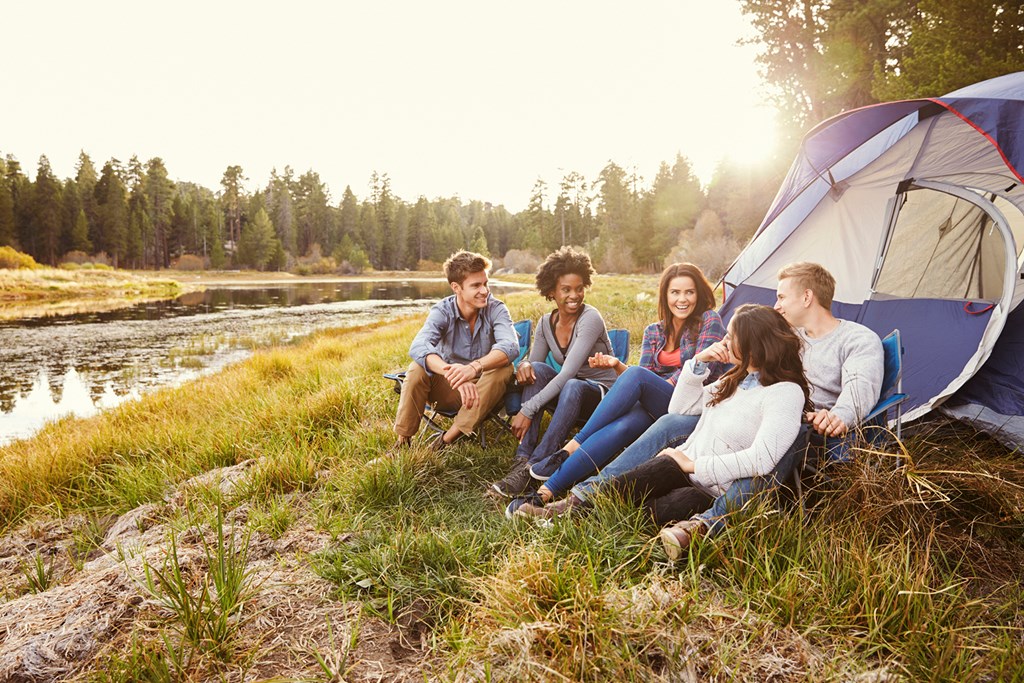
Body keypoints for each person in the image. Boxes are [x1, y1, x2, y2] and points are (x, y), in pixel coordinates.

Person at [517, 262, 884, 558]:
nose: (777, 305)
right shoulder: (781, 341)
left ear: (807, 296)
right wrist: (699, 365)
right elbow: (732, 384)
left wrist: (838, 415)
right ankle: (576, 498)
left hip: (811, 427)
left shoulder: (854, 339)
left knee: (749, 451)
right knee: (670, 422)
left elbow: (858, 387)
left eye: (782, 297)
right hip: (739, 420)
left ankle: (701, 522)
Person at [593, 304, 812, 561]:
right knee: (617, 493)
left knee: (649, 513)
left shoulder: (785, 393)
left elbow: (762, 459)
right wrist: (698, 362)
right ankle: (575, 508)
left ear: (755, 343)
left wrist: (693, 465)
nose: (724, 341)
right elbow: (680, 408)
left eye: (732, 336)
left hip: (710, 489)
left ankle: (682, 534)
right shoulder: (736, 379)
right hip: (679, 468)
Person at [504, 262, 725, 517]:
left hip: (689, 402)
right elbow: (643, 376)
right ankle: (546, 491)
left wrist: (642, 380)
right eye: (675, 292)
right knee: (620, 427)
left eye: (689, 292)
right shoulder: (653, 331)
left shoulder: (710, 320)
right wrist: (618, 366)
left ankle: (570, 448)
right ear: (665, 295)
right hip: (657, 403)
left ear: (699, 295)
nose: (682, 299)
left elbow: (695, 373)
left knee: (636, 376)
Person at [491, 247, 619, 496]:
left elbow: (568, 373)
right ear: (551, 291)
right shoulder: (544, 324)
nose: (575, 295)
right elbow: (535, 366)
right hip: (573, 395)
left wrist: (527, 410)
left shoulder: (590, 318)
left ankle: (537, 465)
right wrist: (524, 365)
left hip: (604, 398)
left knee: (571, 384)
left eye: (579, 288)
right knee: (537, 369)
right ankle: (523, 457)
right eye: (566, 289)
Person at [390, 250, 519, 452]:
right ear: (456, 287)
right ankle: (402, 443)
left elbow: (510, 346)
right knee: (416, 368)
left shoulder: (496, 309)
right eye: (476, 285)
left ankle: (446, 439)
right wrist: (454, 373)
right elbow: (419, 345)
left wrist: (474, 368)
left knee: (504, 367)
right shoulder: (442, 311)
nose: (484, 291)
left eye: (485, 283)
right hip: (449, 389)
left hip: (486, 392)